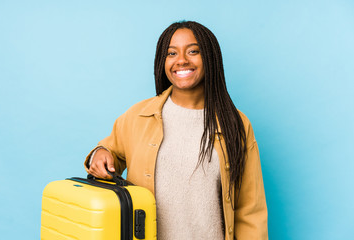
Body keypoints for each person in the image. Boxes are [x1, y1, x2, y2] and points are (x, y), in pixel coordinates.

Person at [84, 20, 268, 240]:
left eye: (193, 51)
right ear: (162, 62)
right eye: (171, 53)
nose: (181, 60)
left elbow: (251, 211)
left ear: (210, 58)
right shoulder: (138, 116)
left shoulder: (235, 124)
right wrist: (100, 153)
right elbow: (108, 150)